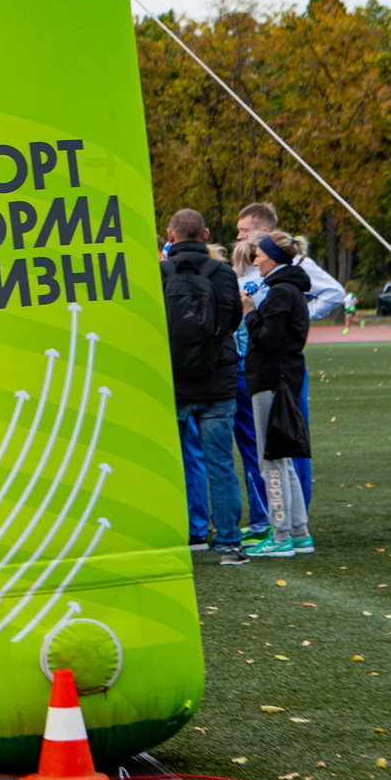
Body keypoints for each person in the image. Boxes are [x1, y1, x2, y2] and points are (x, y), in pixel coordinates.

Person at [231, 202, 343, 540]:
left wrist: (258, 314)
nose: (241, 240)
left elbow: (333, 294)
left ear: (265, 240)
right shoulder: (278, 281)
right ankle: (292, 528)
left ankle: (283, 531)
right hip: (267, 368)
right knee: (272, 452)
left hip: (274, 372)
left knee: (279, 451)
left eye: (244, 231)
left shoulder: (286, 284)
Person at [161, 210, 246, 563]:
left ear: (170, 235)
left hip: (174, 382)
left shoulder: (159, 273)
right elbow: (232, 320)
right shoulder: (223, 273)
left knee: (175, 465)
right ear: (206, 233)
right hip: (217, 381)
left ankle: (185, 533)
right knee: (221, 464)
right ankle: (229, 542)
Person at [241, 233, 313, 557]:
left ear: (272, 256)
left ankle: (281, 536)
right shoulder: (289, 289)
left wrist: (249, 311)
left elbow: (268, 340)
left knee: (271, 458)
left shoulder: (281, 291)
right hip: (282, 379)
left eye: (258, 255)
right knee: (282, 456)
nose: (254, 261)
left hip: (272, 380)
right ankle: (299, 531)